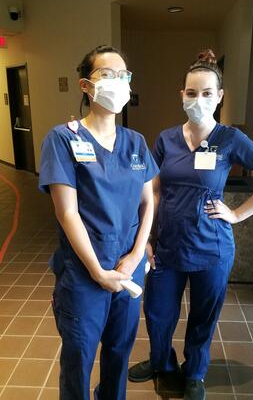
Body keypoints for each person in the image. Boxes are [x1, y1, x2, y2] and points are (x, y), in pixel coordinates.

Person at [128, 49, 253, 400]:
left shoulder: (230, 139)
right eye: (190, 92)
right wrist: (147, 238)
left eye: (205, 93)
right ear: (181, 95)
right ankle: (162, 364)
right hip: (167, 247)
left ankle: (195, 373)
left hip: (211, 247)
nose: (197, 99)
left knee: (203, 317)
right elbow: (153, 192)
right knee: (157, 314)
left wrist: (236, 214)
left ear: (219, 97)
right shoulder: (166, 139)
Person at [39, 45, 159, 400]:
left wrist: (137, 255)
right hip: (84, 273)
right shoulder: (63, 139)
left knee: (119, 354)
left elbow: (148, 201)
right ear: (85, 86)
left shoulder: (135, 142)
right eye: (107, 74)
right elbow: (67, 212)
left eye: (124, 75)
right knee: (79, 358)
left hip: (128, 268)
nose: (118, 82)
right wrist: (96, 269)